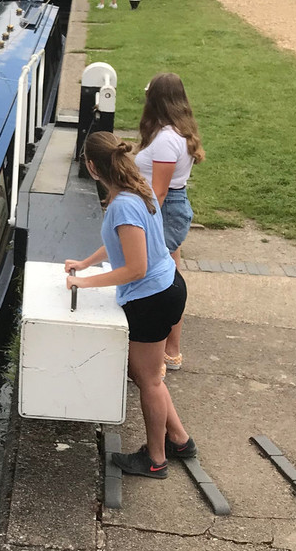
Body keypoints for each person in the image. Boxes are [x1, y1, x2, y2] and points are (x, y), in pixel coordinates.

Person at [65, 131, 195, 478]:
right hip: (166, 287)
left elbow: (134, 267)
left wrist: (84, 282)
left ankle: (155, 459)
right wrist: (87, 262)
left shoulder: (122, 204)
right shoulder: (138, 187)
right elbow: (123, 244)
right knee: (148, 377)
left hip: (151, 298)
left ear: (92, 167)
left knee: (148, 380)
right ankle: (179, 440)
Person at [134, 73, 205, 373]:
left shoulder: (165, 141)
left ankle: (156, 357)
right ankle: (171, 352)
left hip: (163, 210)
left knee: (158, 284)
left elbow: (159, 190)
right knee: (171, 279)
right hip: (175, 206)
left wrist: (145, 220)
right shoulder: (179, 132)